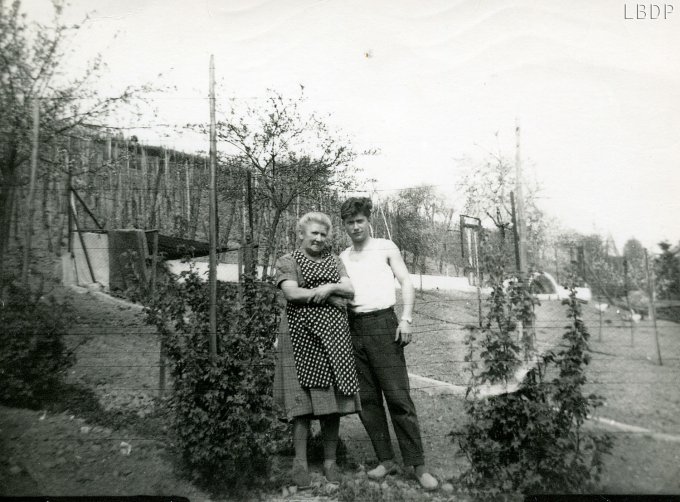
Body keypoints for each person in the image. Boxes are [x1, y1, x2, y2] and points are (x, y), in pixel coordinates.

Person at [339, 197, 439, 491]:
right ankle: (386, 459)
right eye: (349, 222)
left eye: (359, 220)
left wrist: (406, 319)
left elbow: (406, 282)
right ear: (344, 225)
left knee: (398, 398)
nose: (356, 226)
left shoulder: (386, 246)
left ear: (368, 220)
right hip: (353, 327)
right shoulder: (343, 256)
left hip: (384, 325)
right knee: (367, 401)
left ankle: (418, 465)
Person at [273, 212, 361, 487]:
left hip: (334, 339)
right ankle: (300, 463)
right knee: (301, 403)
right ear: (301, 234)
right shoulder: (288, 261)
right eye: (314, 233)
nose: (319, 239)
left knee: (331, 404)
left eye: (323, 235)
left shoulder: (335, 261)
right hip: (300, 338)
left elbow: (350, 289)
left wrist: (330, 288)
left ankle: (330, 462)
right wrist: (330, 298)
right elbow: (292, 293)